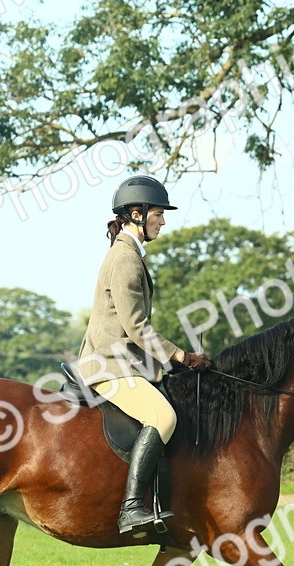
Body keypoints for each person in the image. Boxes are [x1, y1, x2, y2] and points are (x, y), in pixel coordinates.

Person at [76, 175, 211, 538]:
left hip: (122, 362)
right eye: (158, 214)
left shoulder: (129, 253)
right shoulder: (125, 258)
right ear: (137, 214)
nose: (163, 221)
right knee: (163, 416)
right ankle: (132, 508)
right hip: (108, 365)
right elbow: (136, 325)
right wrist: (180, 355)